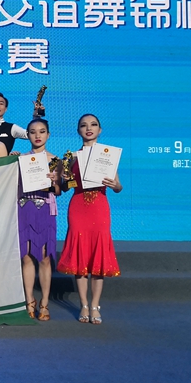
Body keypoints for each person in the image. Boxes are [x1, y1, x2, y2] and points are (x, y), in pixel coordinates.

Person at [57, 114, 122, 325]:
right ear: (78, 130)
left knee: (97, 256)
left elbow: (118, 187)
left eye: (93, 125)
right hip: (78, 207)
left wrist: (115, 185)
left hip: (99, 207)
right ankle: (84, 304)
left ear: (100, 130)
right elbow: (66, 188)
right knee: (80, 256)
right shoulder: (71, 157)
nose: (88, 128)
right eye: (83, 125)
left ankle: (95, 305)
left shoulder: (107, 155)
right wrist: (65, 180)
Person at [14, 119, 61, 321]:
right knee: (26, 256)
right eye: (33, 132)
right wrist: (11, 162)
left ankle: (45, 303)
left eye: (42, 131)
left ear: (48, 135)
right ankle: (29, 301)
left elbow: (58, 191)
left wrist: (54, 182)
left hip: (45, 209)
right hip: (24, 209)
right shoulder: (20, 159)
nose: (37, 135)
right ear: (28, 135)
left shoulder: (56, 160)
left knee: (44, 257)